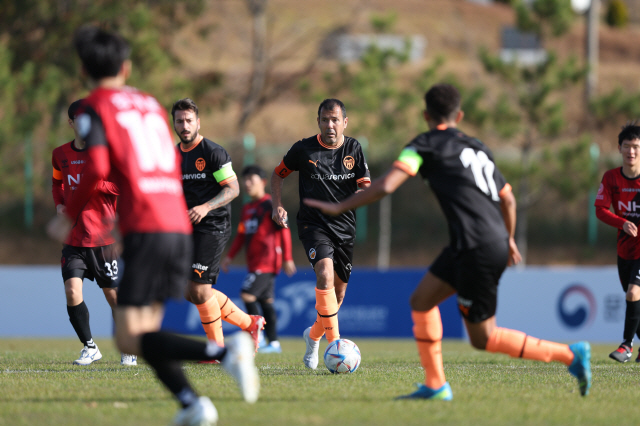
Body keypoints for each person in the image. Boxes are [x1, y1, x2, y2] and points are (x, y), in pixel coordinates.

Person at [304, 83, 591, 399]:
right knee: (421, 301)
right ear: (460, 115)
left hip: (474, 245)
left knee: (484, 337)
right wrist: (508, 239)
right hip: (484, 241)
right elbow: (507, 199)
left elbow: (387, 186)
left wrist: (340, 205)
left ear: (426, 114)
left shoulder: (423, 145)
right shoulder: (478, 147)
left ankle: (570, 355)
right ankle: (435, 384)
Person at [47, 26, 258, 426]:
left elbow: (95, 168)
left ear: (84, 70)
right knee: (143, 333)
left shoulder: (94, 107)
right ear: (126, 66)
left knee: (129, 337)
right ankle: (192, 404)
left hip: (147, 226)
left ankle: (225, 353)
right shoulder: (148, 105)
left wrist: (70, 212)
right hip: (174, 223)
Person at [271, 98, 371, 369]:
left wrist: (356, 196)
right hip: (313, 225)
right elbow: (278, 174)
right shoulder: (303, 149)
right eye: (325, 119)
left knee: (337, 298)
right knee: (324, 274)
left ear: (344, 122)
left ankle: (313, 336)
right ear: (318, 121)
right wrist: (277, 205)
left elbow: (365, 186)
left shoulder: (354, 149)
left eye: (335, 120)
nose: (330, 125)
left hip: (345, 229)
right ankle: (334, 346)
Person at [171, 98, 265, 355]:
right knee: (192, 292)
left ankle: (216, 350)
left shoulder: (213, 152)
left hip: (213, 225)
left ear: (198, 122)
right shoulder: (172, 155)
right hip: (186, 229)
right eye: (180, 121)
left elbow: (233, 188)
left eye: (189, 120)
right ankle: (250, 323)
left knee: (199, 290)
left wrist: (205, 207)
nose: (185, 125)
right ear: (174, 124)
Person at [52, 100, 136, 366]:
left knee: (113, 296)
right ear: (71, 123)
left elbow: (122, 186)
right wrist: (59, 204)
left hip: (103, 239)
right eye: (79, 119)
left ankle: (128, 346)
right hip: (74, 238)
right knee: (71, 292)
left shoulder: (106, 154)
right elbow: (57, 182)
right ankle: (90, 347)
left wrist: (97, 184)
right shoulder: (60, 154)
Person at [221, 165, 297, 354]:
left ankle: (258, 336)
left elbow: (284, 230)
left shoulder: (269, 204)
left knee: (247, 295)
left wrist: (288, 257)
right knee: (267, 302)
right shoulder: (247, 208)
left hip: (267, 261)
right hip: (254, 263)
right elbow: (240, 235)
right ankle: (274, 343)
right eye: (245, 180)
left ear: (263, 183)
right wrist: (229, 257)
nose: (247, 184)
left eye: (251, 181)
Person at [595, 123, 640, 363]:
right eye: (627, 147)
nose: (631, 152)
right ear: (619, 148)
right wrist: (621, 223)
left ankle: (626, 346)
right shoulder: (611, 178)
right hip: (624, 251)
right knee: (634, 300)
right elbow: (600, 210)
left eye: (636, 147)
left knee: (633, 294)